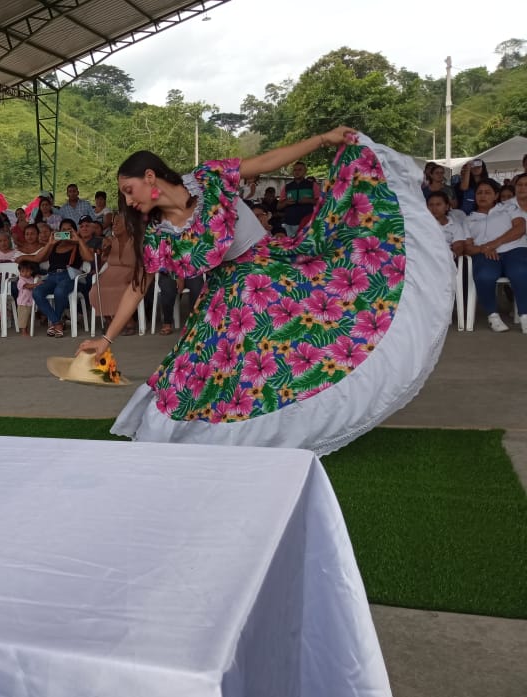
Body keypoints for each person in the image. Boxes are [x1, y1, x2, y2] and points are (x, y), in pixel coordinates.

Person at [76, 127, 453, 454]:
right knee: (198, 373)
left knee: (312, 341)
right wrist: (107, 339)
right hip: (227, 294)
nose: (128, 201)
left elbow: (268, 161)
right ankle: (230, 438)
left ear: (150, 176)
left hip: (272, 267)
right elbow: (138, 284)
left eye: (129, 190)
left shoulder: (209, 178)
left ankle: (297, 427)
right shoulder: (158, 232)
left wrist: (323, 139)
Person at [464, 178, 527, 333]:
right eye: (479, 193)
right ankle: (493, 316)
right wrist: (483, 248)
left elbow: (520, 228)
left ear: (496, 195)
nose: (483, 196)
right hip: (485, 254)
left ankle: (525, 315)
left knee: (520, 271)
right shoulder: (468, 219)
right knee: (484, 275)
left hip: (514, 249)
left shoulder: (508, 208)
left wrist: (493, 244)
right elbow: (468, 247)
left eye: (487, 192)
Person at [31, 218, 93, 337]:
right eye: (63, 230)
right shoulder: (55, 245)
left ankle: (55, 324)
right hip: (51, 276)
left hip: (69, 277)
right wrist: (50, 243)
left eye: (69, 230)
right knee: (37, 292)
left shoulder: (77, 245)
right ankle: (57, 322)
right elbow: (38, 259)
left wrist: (79, 240)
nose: (66, 232)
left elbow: (89, 258)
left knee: (59, 291)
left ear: (74, 231)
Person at [15, 261, 39, 337]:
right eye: (22, 271)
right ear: (20, 272)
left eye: (27, 271)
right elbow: (27, 286)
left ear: (31, 271)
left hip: (29, 301)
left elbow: (34, 281)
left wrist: (37, 279)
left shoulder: (31, 278)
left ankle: (26, 330)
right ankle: (23, 332)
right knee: (23, 317)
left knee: (27, 317)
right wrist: (36, 284)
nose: (25, 273)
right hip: (23, 302)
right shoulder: (21, 280)